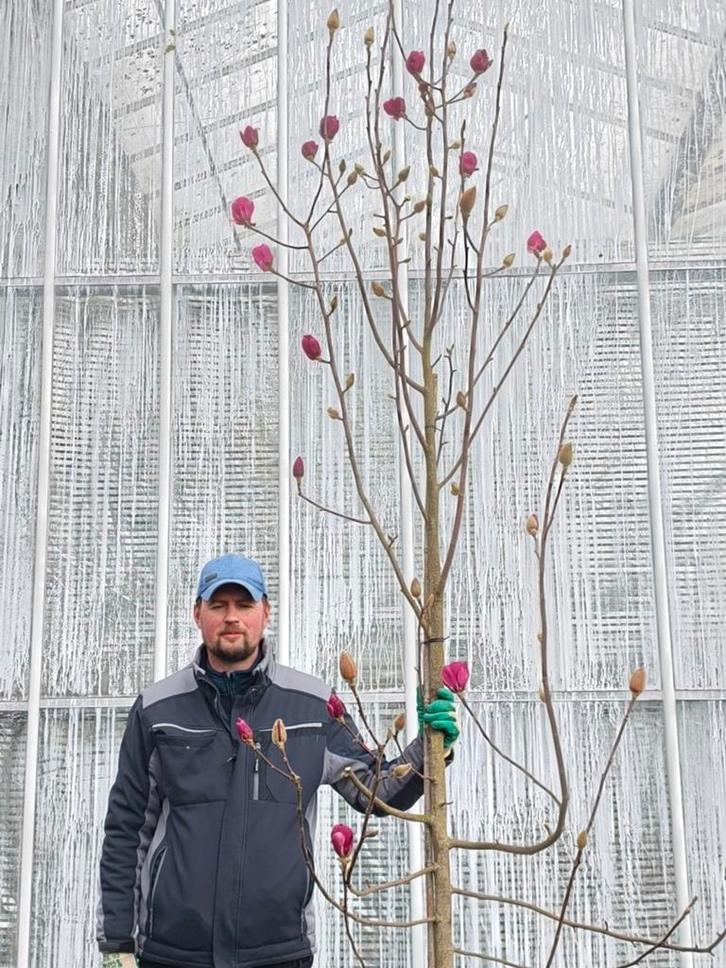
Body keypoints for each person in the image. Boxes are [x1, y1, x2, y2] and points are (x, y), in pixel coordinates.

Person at [97, 553, 459, 968]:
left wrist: (431, 748)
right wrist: (117, 944)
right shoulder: (157, 709)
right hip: (173, 953)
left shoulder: (312, 705)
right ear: (197, 613)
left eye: (244, 605)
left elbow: (377, 792)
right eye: (218, 605)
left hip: (278, 952)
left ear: (265, 612)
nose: (232, 617)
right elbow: (126, 829)